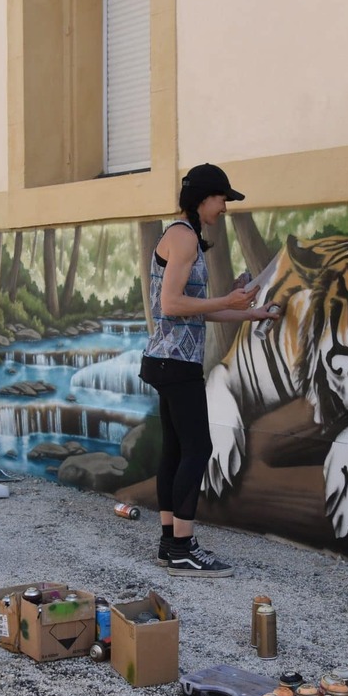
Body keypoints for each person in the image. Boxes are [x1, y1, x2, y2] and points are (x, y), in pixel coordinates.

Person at [139, 163, 277, 577]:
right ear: (202, 198)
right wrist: (227, 301)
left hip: (167, 359)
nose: (224, 207)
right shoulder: (182, 237)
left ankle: (170, 544)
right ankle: (183, 548)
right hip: (176, 362)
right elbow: (171, 305)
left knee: (176, 450)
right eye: (222, 199)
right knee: (198, 449)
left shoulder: (185, 237)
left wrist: (248, 312)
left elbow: (193, 311)